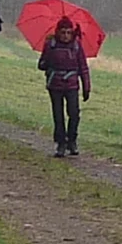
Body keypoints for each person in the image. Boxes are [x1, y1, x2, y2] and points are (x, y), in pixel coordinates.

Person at [37, 16, 91, 157]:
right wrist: (47, 60)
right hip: (55, 84)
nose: (66, 35)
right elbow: (41, 65)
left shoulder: (77, 46)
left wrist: (86, 87)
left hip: (72, 84)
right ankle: (61, 143)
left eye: (68, 32)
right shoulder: (51, 44)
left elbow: (83, 68)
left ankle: (72, 140)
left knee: (74, 114)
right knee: (58, 115)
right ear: (58, 32)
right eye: (63, 32)